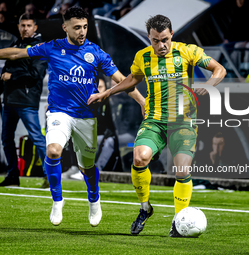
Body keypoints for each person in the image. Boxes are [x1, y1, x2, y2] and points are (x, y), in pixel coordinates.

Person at [0, 6, 145, 227]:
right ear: (65, 27)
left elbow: (121, 79)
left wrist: (142, 101)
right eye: (77, 27)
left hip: (85, 117)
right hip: (59, 113)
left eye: (85, 27)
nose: (82, 31)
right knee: (53, 150)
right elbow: (16, 53)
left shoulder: (96, 52)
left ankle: (94, 198)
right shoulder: (52, 47)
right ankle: (57, 200)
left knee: (87, 167)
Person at [88, 14, 226, 237]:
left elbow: (219, 69)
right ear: (149, 38)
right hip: (154, 121)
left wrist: (208, 85)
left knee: (182, 169)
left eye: (164, 39)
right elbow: (132, 79)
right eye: (155, 40)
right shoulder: (142, 56)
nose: (161, 45)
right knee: (139, 157)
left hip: (183, 122)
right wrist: (107, 92)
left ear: (171, 34)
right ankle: (145, 208)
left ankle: (178, 222)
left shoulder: (187, 51)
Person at [0, 13, 48, 188]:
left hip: (27, 101)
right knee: (7, 139)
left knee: (37, 138)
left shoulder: (40, 48)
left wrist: (12, 76)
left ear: (35, 27)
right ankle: (12, 176)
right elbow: (5, 71)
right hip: (9, 101)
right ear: (18, 27)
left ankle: (50, 176)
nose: (25, 28)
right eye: (22, 25)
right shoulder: (15, 45)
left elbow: (36, 74)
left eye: (29, 25)